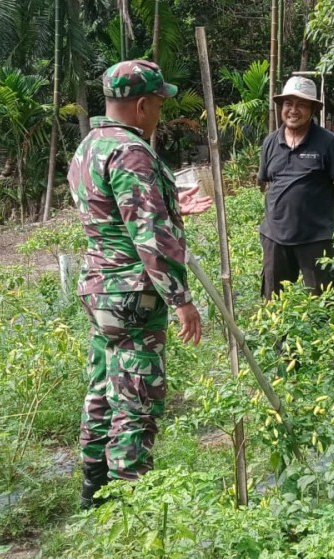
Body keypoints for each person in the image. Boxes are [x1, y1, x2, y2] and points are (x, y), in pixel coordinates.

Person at [67, 60, 212, 509]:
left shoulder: (91, 145)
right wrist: (181, 299)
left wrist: (172, 204)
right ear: (143, 104)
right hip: (132, 291)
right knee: (137, 397)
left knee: (103, 385)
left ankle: (94, 486)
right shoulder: (130, 151)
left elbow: (113, 211)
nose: (161, 114)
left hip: (100, 288)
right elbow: (148, 232)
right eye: (160, 105)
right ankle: (130, 499)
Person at [257, 76, 334, 300]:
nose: (293, 110)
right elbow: (266, 182)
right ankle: (278, 337)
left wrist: (313, 207)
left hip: (315, 238)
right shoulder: (270, 142)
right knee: (275, 305)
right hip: (275, 238)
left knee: (326, 304)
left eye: (301, 104)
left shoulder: (328, 143)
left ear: (312, 110)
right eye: (288, 104)